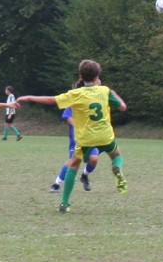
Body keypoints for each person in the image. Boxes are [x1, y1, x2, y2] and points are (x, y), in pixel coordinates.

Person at [16, 60, 128, 213]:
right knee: (116, 154)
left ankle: (65, 203)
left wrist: (28, 98)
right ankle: (117, 168)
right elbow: (122, 107)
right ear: (97, 76)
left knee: (74, 164)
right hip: (105, 135)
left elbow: (51, 100)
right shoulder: (105, 91)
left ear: (81, 76)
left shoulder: (76, 94)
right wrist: (111, 92)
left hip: (86, 139)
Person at [49, 104, 100, 193]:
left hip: (90, 139)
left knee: (94, 159)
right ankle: (56, 184)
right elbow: (68, 117)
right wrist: (79, 128)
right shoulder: (73, 104)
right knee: (72, 163)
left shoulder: (91, 104)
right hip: (77, 141)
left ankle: (84, 176)